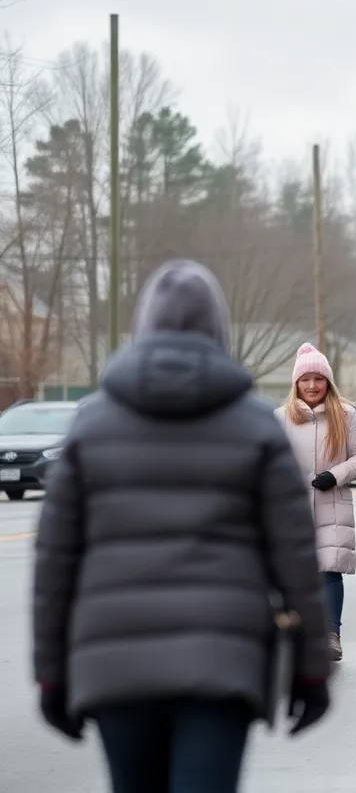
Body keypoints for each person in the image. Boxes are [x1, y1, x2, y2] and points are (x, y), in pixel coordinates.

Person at [32, 260, 331, 793]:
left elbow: (56, 560)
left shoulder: (90, 424)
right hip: (223, 660)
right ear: (219, 331)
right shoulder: (255, 425)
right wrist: (310, 667)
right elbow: (294, 556)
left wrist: (51, 671)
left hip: (115, 659)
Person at [277, 343, 356, 663]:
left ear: (328, 382)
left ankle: (332, 634)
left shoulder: (345, 415)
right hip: (292, 509)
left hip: (333, 504)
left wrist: (336, 475)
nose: (312, 386)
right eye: (306, 380)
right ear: (296, 384)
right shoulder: (281, 418)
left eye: (319, 379)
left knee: (330, 572)